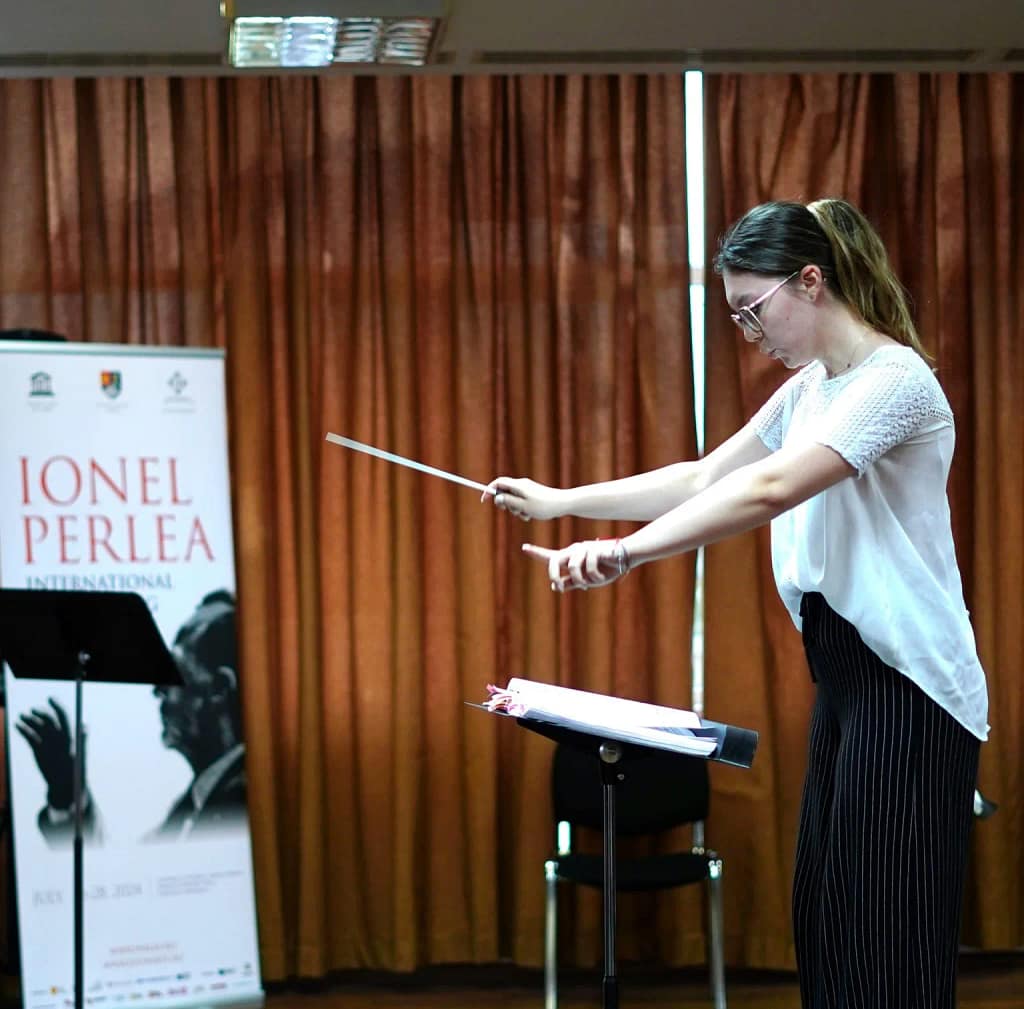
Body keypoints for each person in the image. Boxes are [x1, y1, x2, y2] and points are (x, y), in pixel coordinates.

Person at [484, 198, 988, 1009]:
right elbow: (704, 476)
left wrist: (626, 552)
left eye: (754, 309)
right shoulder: (811, 389)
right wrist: (558, 501)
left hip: (911, 685)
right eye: (737, 317)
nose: (751, 333)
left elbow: (771, 487)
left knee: (885, 937)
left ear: (811, 281)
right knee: (826, 921)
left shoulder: (895, 380)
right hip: (847, 681)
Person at [16, 590, 247, 844]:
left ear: (219, 688)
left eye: (173, 670)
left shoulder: (247, 798)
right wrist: (67, 794)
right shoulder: (190, 806)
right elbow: (125, 864)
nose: (157, 689)